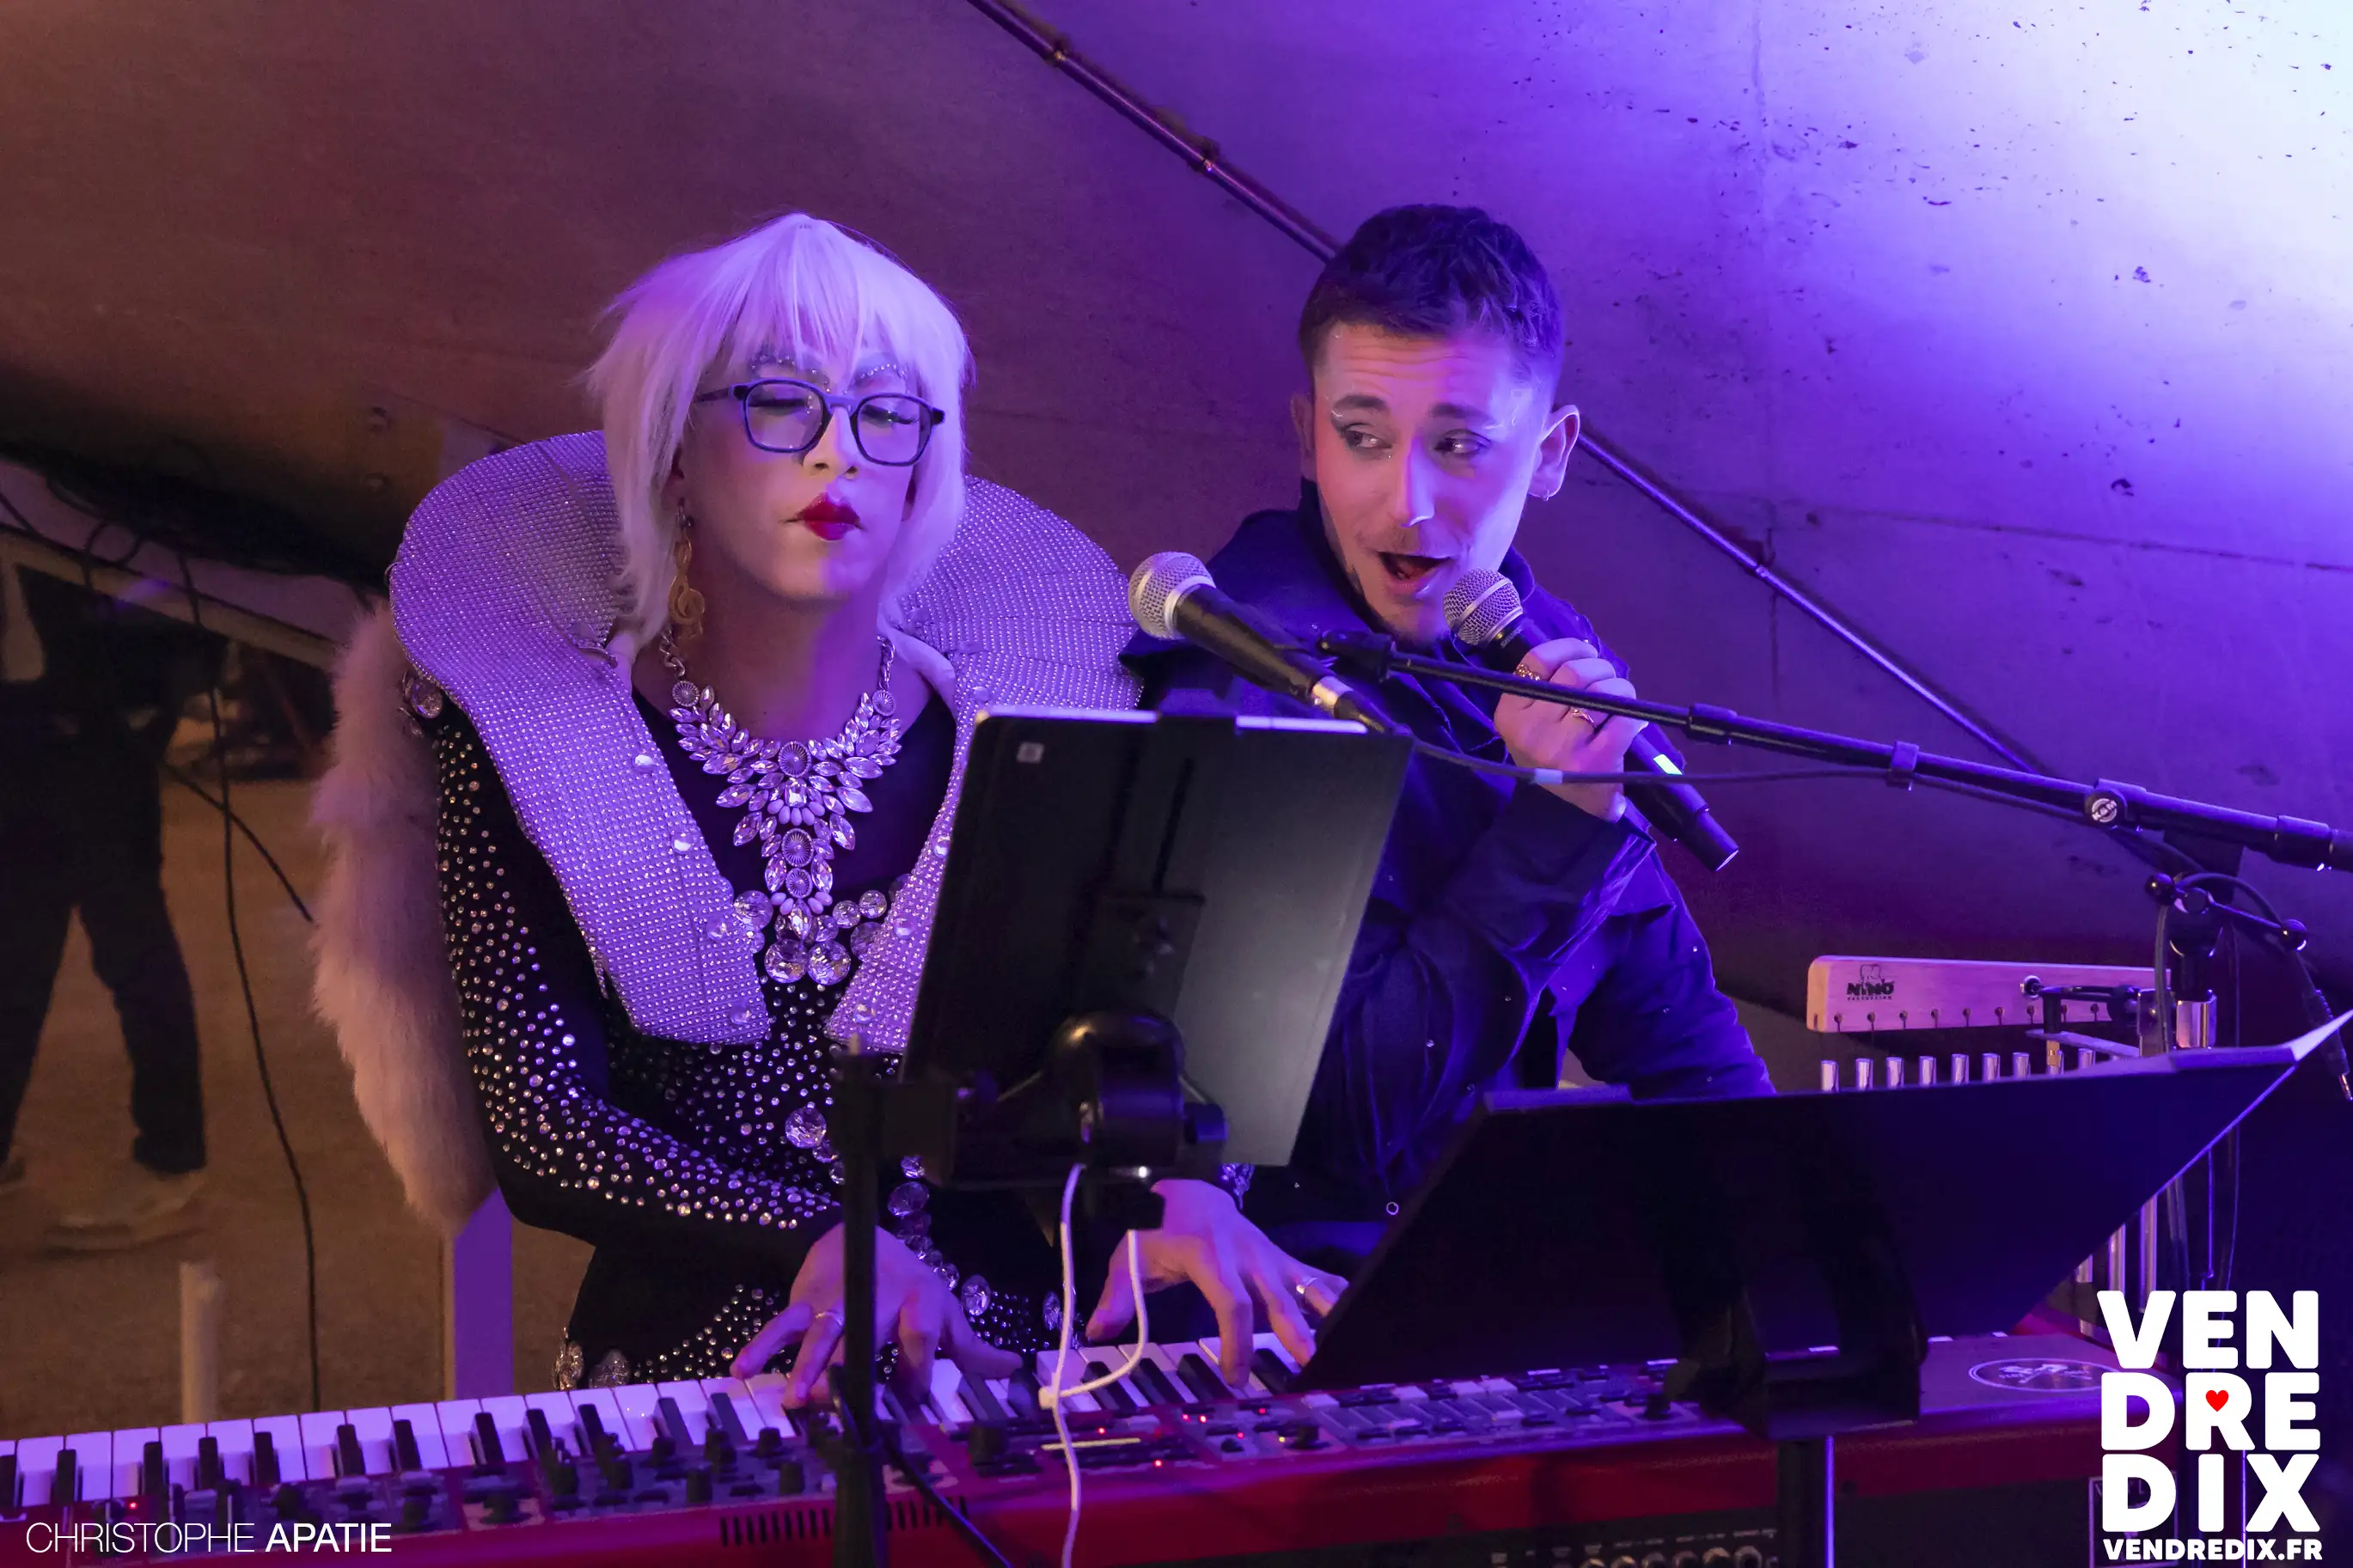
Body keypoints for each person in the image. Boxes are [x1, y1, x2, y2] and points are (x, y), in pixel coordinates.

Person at [313, 213, 1319, 1400]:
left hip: (1016, 1386)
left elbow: (1129, 1050)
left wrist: (1173, 1187)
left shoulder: (1028, 736)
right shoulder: (530, 739)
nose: (836, 455)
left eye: (884, 414)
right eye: (779, 403)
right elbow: (545, 1126)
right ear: (671, 455)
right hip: (701, 1382)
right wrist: (806, 1239)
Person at [1120, 204, 1772, 1296]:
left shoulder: (1541, 645)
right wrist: (1551, 827)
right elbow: (1342, 1130)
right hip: (1299, 1324)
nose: (1404, 502)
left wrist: (1805, 1230)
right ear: (1307, 434)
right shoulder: (1246, 684)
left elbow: (1680, 1050)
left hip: (1496, 1290)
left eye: (1459, 445)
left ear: (1550, 453)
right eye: (1361, 438)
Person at [0, 558, 217, 1248]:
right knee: (19, 949)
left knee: (128, 941)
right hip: (32, 714)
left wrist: (145, 704)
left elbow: (164, 569)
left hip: (95, 717)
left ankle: (171, 1162)